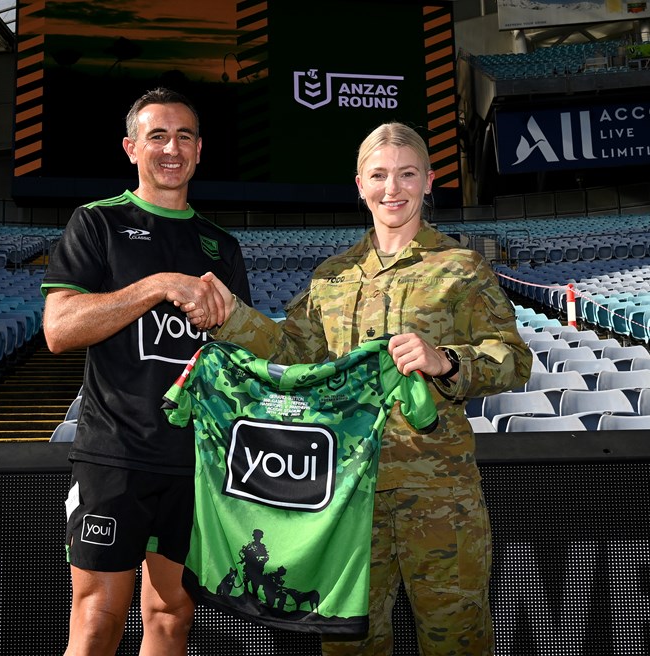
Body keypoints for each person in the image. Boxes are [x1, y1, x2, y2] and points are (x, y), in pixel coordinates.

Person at [188, 122, 532, 655]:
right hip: (346, 498)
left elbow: (513, 360)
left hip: (438, 496)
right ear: (359, 185)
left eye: (406, 174)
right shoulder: (331, 277)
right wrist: (232, 318)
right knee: (350, 645)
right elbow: (289, 357)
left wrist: (447, 361)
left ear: (428, 182)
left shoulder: (461, 269)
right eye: (379, 175)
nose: (392, 188)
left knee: (456, 639)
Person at [41, 87, 252, 656]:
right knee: (97, 620)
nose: (172, 147)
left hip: (195, 462)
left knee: (170, 617)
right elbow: (59, 329)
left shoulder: (220, 245)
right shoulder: (97, 224)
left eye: (184, 136)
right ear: (131, 147)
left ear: (200, 150)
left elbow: (242, 354)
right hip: (116, 452)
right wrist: (159, 284)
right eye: (157, 135)